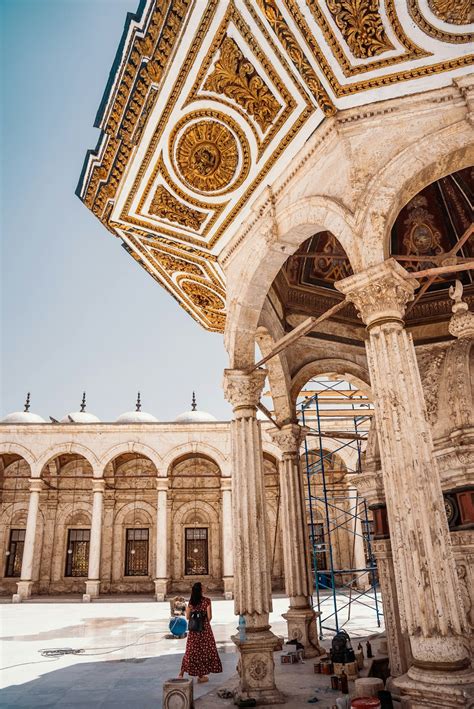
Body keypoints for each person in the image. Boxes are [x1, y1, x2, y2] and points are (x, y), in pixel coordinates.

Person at [178, 582, 222, 683]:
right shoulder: (207, 601)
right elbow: (210, 617)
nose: (205, 587)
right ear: (201, 590)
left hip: (194, 632)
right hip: (205, 630)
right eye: (203, 587)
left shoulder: (191, 602)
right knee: (204, 651)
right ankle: (201, 675)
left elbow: (188, 617)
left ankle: (182, 673)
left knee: (191, 651)